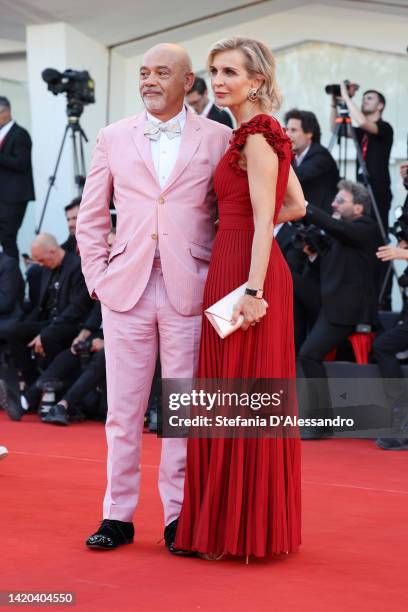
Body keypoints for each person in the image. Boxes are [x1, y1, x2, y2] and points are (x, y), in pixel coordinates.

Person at [76, 43, 232, 552]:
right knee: (122, 410)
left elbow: (234, 215)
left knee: (182, 410)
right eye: (143, 73)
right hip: (126, 289)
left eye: (161, 73)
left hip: (193, 287)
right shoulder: (112, 136)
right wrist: (98, 278)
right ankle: (117, 515)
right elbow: (93, 215)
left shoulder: (220, 138)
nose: (149, 80)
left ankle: (178, 518)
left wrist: (226, 284)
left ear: (188, 82)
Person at [174, 36, 305, 560]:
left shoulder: (257, 135)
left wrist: (253, 289)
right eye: (214, 71)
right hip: (238, 265)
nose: (220, 80)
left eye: (231, 72)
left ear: (256, 80)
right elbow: (294, 204)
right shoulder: (252, 134)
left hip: (247, 277)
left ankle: (238, 530)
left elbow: (265, 220)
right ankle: (235, 525)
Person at [298, 180, 381, 438]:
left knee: (309, 354)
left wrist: (306, 208)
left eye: (340, 201)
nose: (334, 203)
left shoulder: (367, 228)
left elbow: (335, 227)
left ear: (358, 208)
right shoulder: (340, 234)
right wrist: (313, 253)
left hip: (348, 310)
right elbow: (325, 268)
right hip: (332, 307)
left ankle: (322, 421)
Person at [2, 233, 92, 420]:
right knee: (13, 331)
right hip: (49, 322)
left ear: (52, 251)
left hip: (72, 325)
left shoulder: (77, 267)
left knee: (50, 336)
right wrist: (27, 327)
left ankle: (44, 392)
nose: (40, 264)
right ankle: (32, 383)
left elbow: (77, 309)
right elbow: (40, 307)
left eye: (41, 259)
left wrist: (44, 333)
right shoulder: (47, 269)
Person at [285, 109, 339, 215]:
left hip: (321, 221)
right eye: (287, 129)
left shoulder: (321, 156)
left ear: (309, 133)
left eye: (293, 130)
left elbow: (296, 177)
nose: (287, 135)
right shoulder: (295, 155)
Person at [0, 96, 35, 260]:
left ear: (6, 111)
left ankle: (11, 278)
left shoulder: (20, 134)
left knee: (8, 237)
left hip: (15, 196)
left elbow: (22, 162)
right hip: (3, 197)